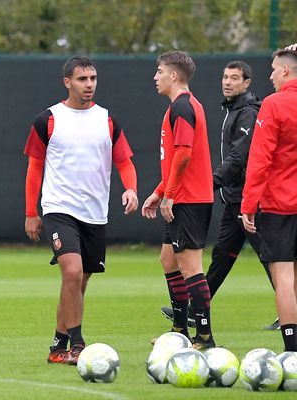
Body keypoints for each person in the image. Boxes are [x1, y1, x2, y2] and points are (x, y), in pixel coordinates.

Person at [24, 56, 138, 365]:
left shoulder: (107, 120)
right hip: (59, 209)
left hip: (95, 213)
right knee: (72, 273)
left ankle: (57, 346)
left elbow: (124, 160)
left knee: (77, 284)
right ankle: (78, 344)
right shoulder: (48, 119)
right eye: (82, 79)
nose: (89, 85)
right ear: (67, 82)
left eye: (93, 79)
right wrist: (31, 212)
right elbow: (35, 167)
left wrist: (130, 188)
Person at [159, 61, 279, 330]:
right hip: (233, 199)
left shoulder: (247, 112)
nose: (227, 82)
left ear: (247, 83)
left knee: (270, 256)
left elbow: (238, 157)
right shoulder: (231, 110)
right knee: (222, 256)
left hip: (250, 200)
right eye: (225, 77)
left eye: (235, 78)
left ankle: (289, 309)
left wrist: (209, 182)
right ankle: (194, 311)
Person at [142, 50, 216, 350]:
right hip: (181, 196)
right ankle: (179, 332)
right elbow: (177, 157)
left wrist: (169, 195)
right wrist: (159, 192)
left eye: (159, 71)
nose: (155, 77)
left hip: (189, 199)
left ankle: (205, 338)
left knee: (190, 267)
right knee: (168, 259)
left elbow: (185, 153)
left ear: (174, 75)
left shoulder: (183, 106)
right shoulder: (181, 106)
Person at [242, 47, 297, 352]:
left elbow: (260, 159)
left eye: (274, 70)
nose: (271, 76)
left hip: (280, 205)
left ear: (286, 71)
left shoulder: (274, 104)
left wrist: (249, 205)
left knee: (284, 276)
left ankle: (292, 351)